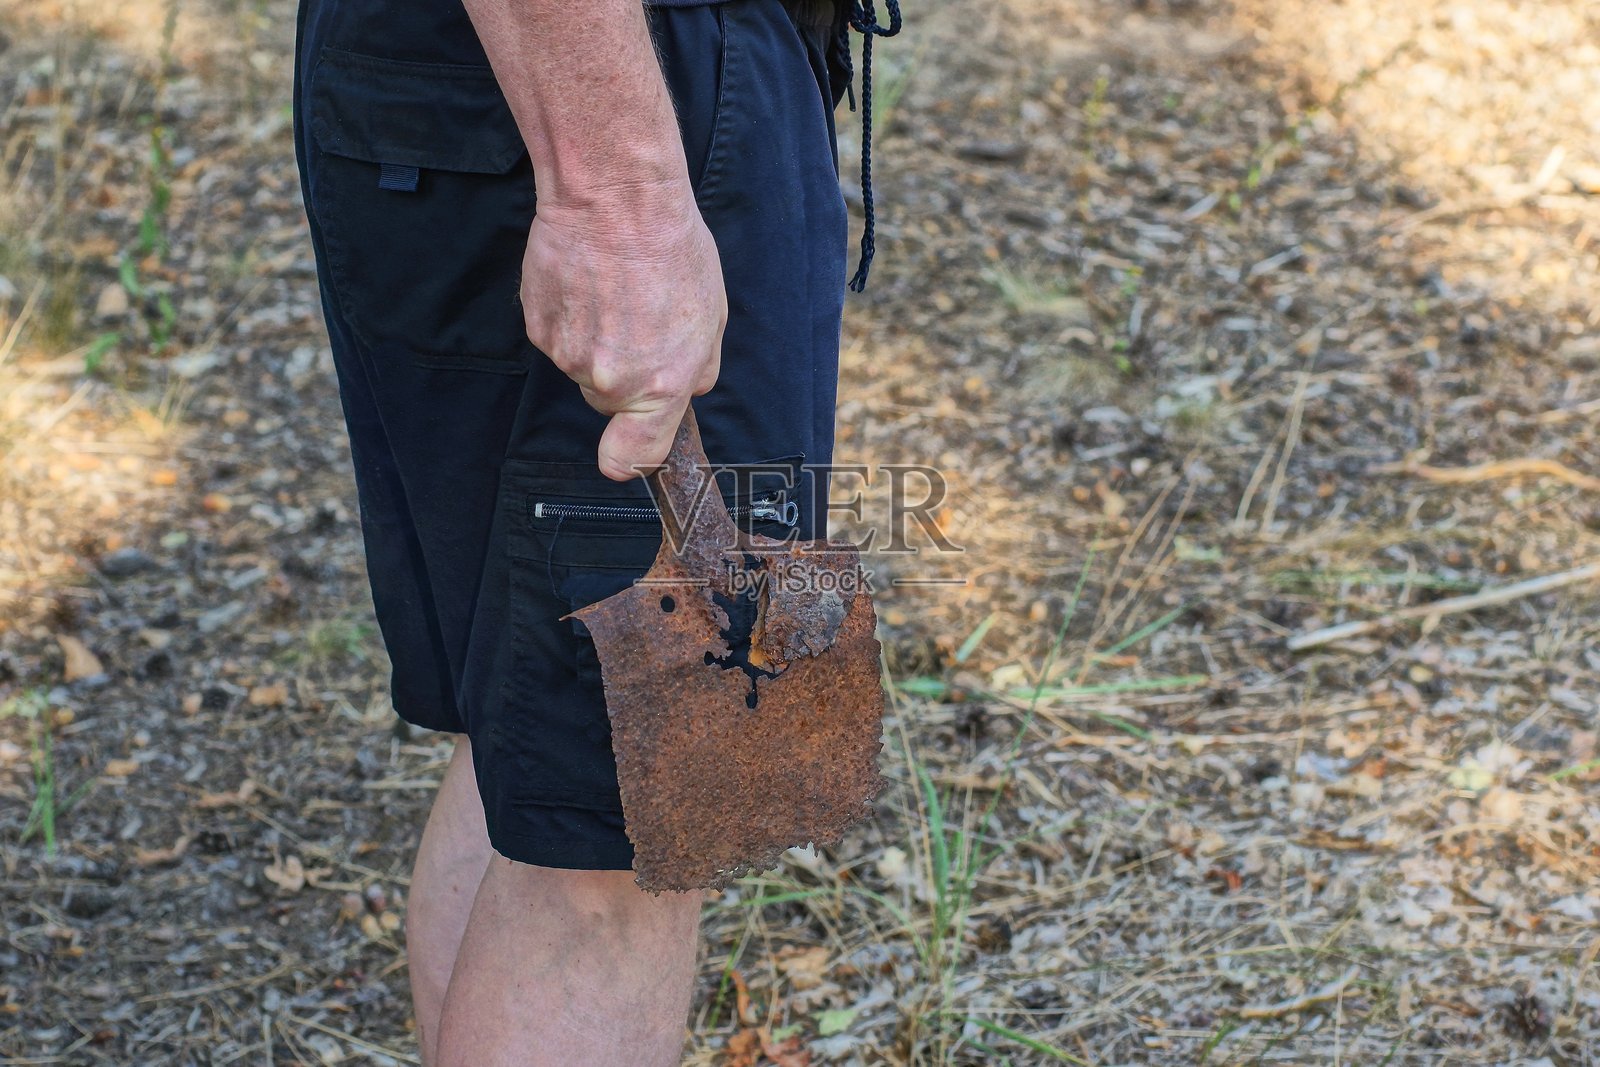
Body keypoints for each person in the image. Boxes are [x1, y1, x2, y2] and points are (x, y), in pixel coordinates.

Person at [290, 0, 895, 1061]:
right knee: (640, 815)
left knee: (532, 747)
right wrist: (615, 191)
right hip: (631, 84)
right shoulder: (625, 165)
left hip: (532, 71)